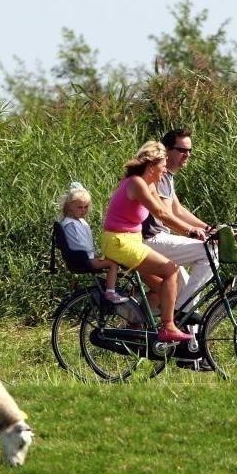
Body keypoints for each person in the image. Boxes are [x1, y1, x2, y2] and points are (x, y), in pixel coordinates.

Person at [102, 141, 206, 344]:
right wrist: (190, 231)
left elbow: (167, 212)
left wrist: (200, 229)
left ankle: (134, 326)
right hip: (120, 242)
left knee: (164, 289)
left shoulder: (147, 184)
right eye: (163, 164)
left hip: (131, 241)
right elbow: (159, 214)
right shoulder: (136, 183)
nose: (165, 169)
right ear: (151, 166)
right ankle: (168, 327)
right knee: (171, 271)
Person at [142, 128, 215, 314]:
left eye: (189, 151)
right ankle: (182, 313)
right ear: (166, 150)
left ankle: (187, 339)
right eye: (182, 150)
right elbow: (165, 214)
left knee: (182, 289)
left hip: (155, 239)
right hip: (152, 239)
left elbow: (178, 210)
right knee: (210, 252)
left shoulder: (167, 176)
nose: (187, 155)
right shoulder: (161, 175)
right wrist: (192, 231)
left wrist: (209, 228)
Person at [58, 182, 128, 304]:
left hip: (86, 257)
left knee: (115, 259)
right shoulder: (71, 224)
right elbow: (79, 245)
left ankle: (111, 287)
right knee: (113, 264)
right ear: (69, 206)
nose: (83, 210)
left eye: (85, 207)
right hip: (84, 259)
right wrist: (96, 256)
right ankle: (110, 292)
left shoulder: (77, 221)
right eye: (79, 207)